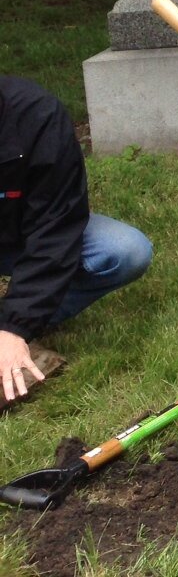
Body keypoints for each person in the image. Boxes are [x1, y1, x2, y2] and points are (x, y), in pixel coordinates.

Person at [1, 77, 152, 404]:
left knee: (127, 251)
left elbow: (56, 228)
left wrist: (14, 326)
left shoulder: (37, 116)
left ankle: (18, 322)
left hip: (27, 232)